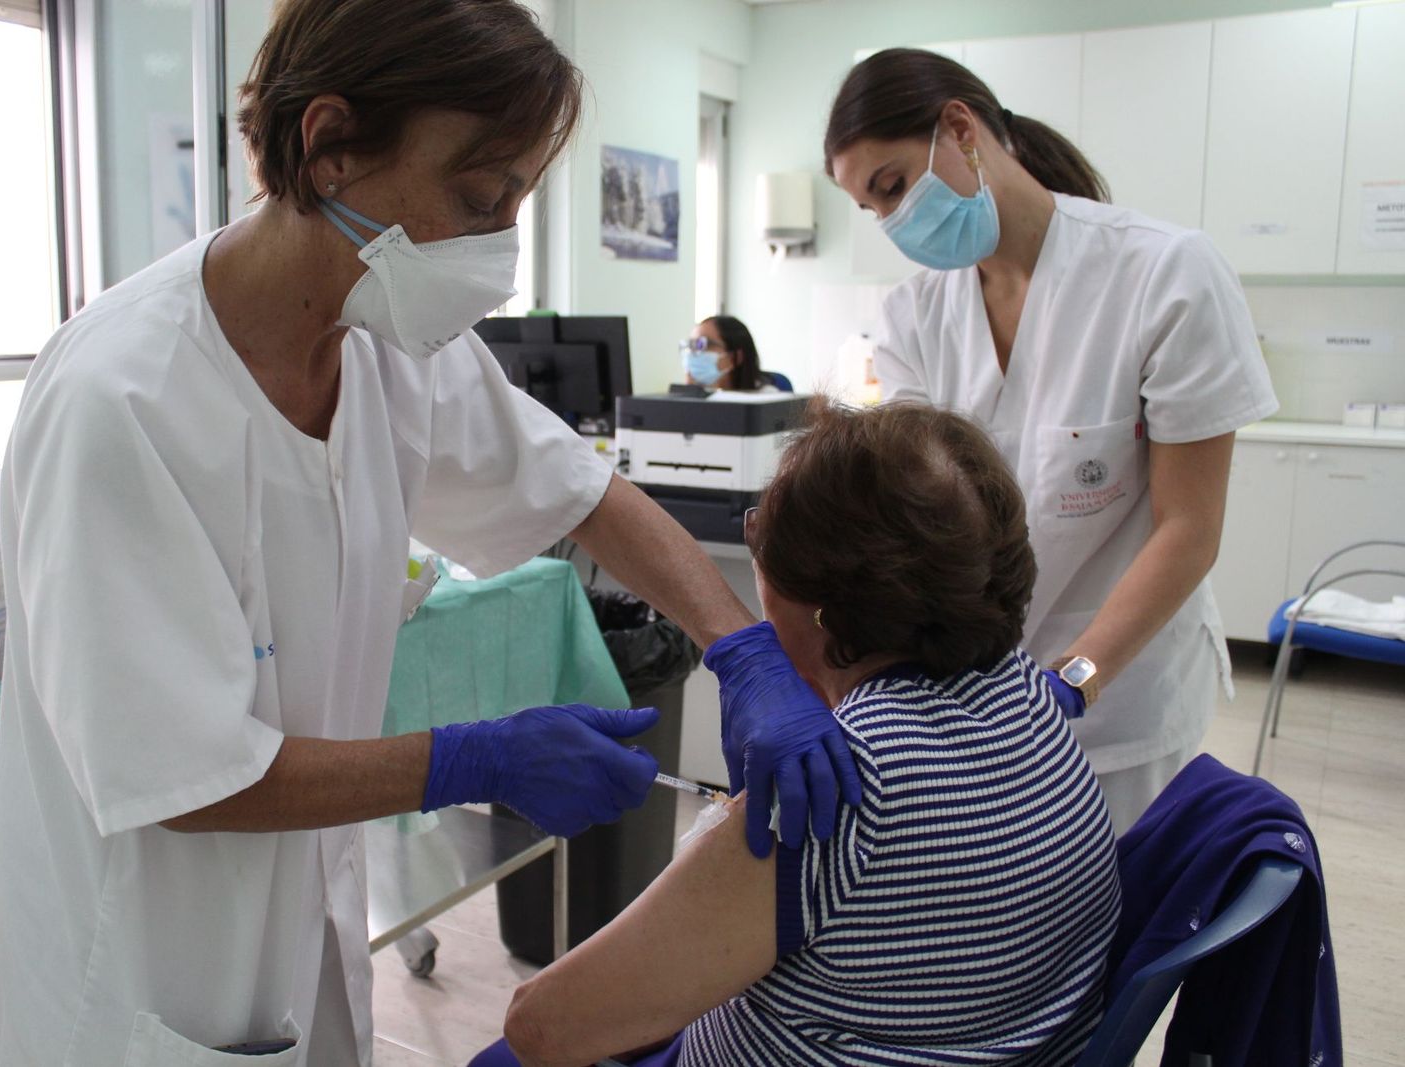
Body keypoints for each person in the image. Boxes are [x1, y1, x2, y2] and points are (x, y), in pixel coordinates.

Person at [0, 2, 857, 1063]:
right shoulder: (120, 402)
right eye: (480, 195)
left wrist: (743, 649)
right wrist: (470, 757)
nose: (502, 246)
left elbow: (576, 490)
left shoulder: (389, 335)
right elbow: (188, 777)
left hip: (302, 925)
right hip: (141, 968)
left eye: (519, 200)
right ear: (330, 146)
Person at [471, 401, 1121, 1067]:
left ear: (819, 607)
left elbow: (544, 1026)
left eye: (760, 540)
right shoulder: (1029, 695)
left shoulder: (837, 787)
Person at [824, 48, 1279, 832]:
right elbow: (916, 515)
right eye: (874, 210)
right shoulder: (914, 318)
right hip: (979, 700)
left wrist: (1073, 680)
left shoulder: (1165, 274)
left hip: (1123, 704)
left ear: (961, 130)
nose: (896, 224)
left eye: (895, 187)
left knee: (1116, 928)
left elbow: (1189, 528)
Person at [679, 315, 780, 392]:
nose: (692, 354)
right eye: (691, 345)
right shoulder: (696, 398)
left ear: (735, 358)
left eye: (701, 344)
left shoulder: (766, 400)